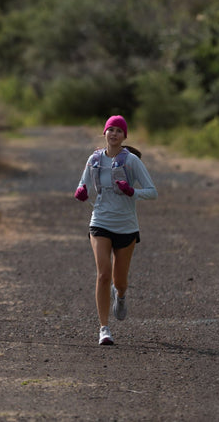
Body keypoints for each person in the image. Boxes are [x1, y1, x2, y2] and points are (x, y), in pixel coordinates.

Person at [74, 115, 157, 345]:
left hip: (126, 226)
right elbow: (83, 185)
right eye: (110, 129)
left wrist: (132, 192)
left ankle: (120, 295)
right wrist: (81, 191)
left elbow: (152, 191)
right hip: (100, 221)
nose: (114, 134)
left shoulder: (131, 161)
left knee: (119, 281)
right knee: (103, 274)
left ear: (124, 136)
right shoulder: (94, 159)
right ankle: (104, 328)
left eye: (119, 130)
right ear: (104, 133)